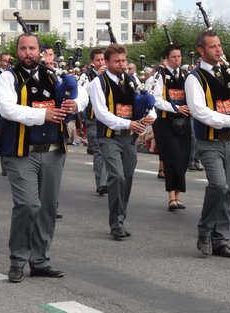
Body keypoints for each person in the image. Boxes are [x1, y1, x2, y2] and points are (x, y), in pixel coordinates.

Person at [0, 33, 81, 283]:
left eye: (32, 48)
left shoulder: (54, 76)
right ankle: (18, 259)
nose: (28, 53)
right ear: (17, 51)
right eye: (23, 49)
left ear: (40, 51)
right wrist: (44, 115)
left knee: (47, 208)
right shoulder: (7, 78)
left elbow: (80, 95)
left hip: (53, 151)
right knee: (28, 205)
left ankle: (40, 260)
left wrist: (75, 104)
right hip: (22, 152)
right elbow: (8, 109)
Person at [185, 30, 230, 258]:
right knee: (219, 186)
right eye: (213, 46)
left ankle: (221, 239)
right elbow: (199, 111)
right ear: (201, 50)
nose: (218, 50)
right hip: (209, 142)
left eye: (219, 46)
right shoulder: (194, 78)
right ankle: (204, 230)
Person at [88, 44, 155, 241]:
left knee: (127, 178)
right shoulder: (97, 83)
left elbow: (147, 102)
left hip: (130, 137)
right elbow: (102, 114)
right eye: (117, 61)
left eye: (124, 60)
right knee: (116, 176)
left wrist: (151, 116)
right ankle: (116, 222)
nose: (122, 64)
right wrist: (129, 123)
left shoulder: (132, 80)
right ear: (107, 62)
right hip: (110, 137)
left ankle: (120, 218)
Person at [152, 44, 192, 211]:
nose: (177, 60)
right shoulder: (160, 75)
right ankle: (171, 197)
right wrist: (175, 108)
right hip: (166, 123)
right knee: (172, 159)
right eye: (174, 57)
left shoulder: (186, 75)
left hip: (184, 123)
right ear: (167, 59)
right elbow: (156, 99)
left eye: (179, 57)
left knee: (183, 159)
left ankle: (178, 196)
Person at [81, 49, 109, 195]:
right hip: (93, 119)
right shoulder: (87, 76)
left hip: (109, 120)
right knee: (98, 150)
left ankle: (111, 180)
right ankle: (101, 183)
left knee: (109, 151)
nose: (101, 62)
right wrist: (97, 77)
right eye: (98, 60)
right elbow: (81, 92)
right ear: (92, 62)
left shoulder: (111, 75)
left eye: (103, 59)